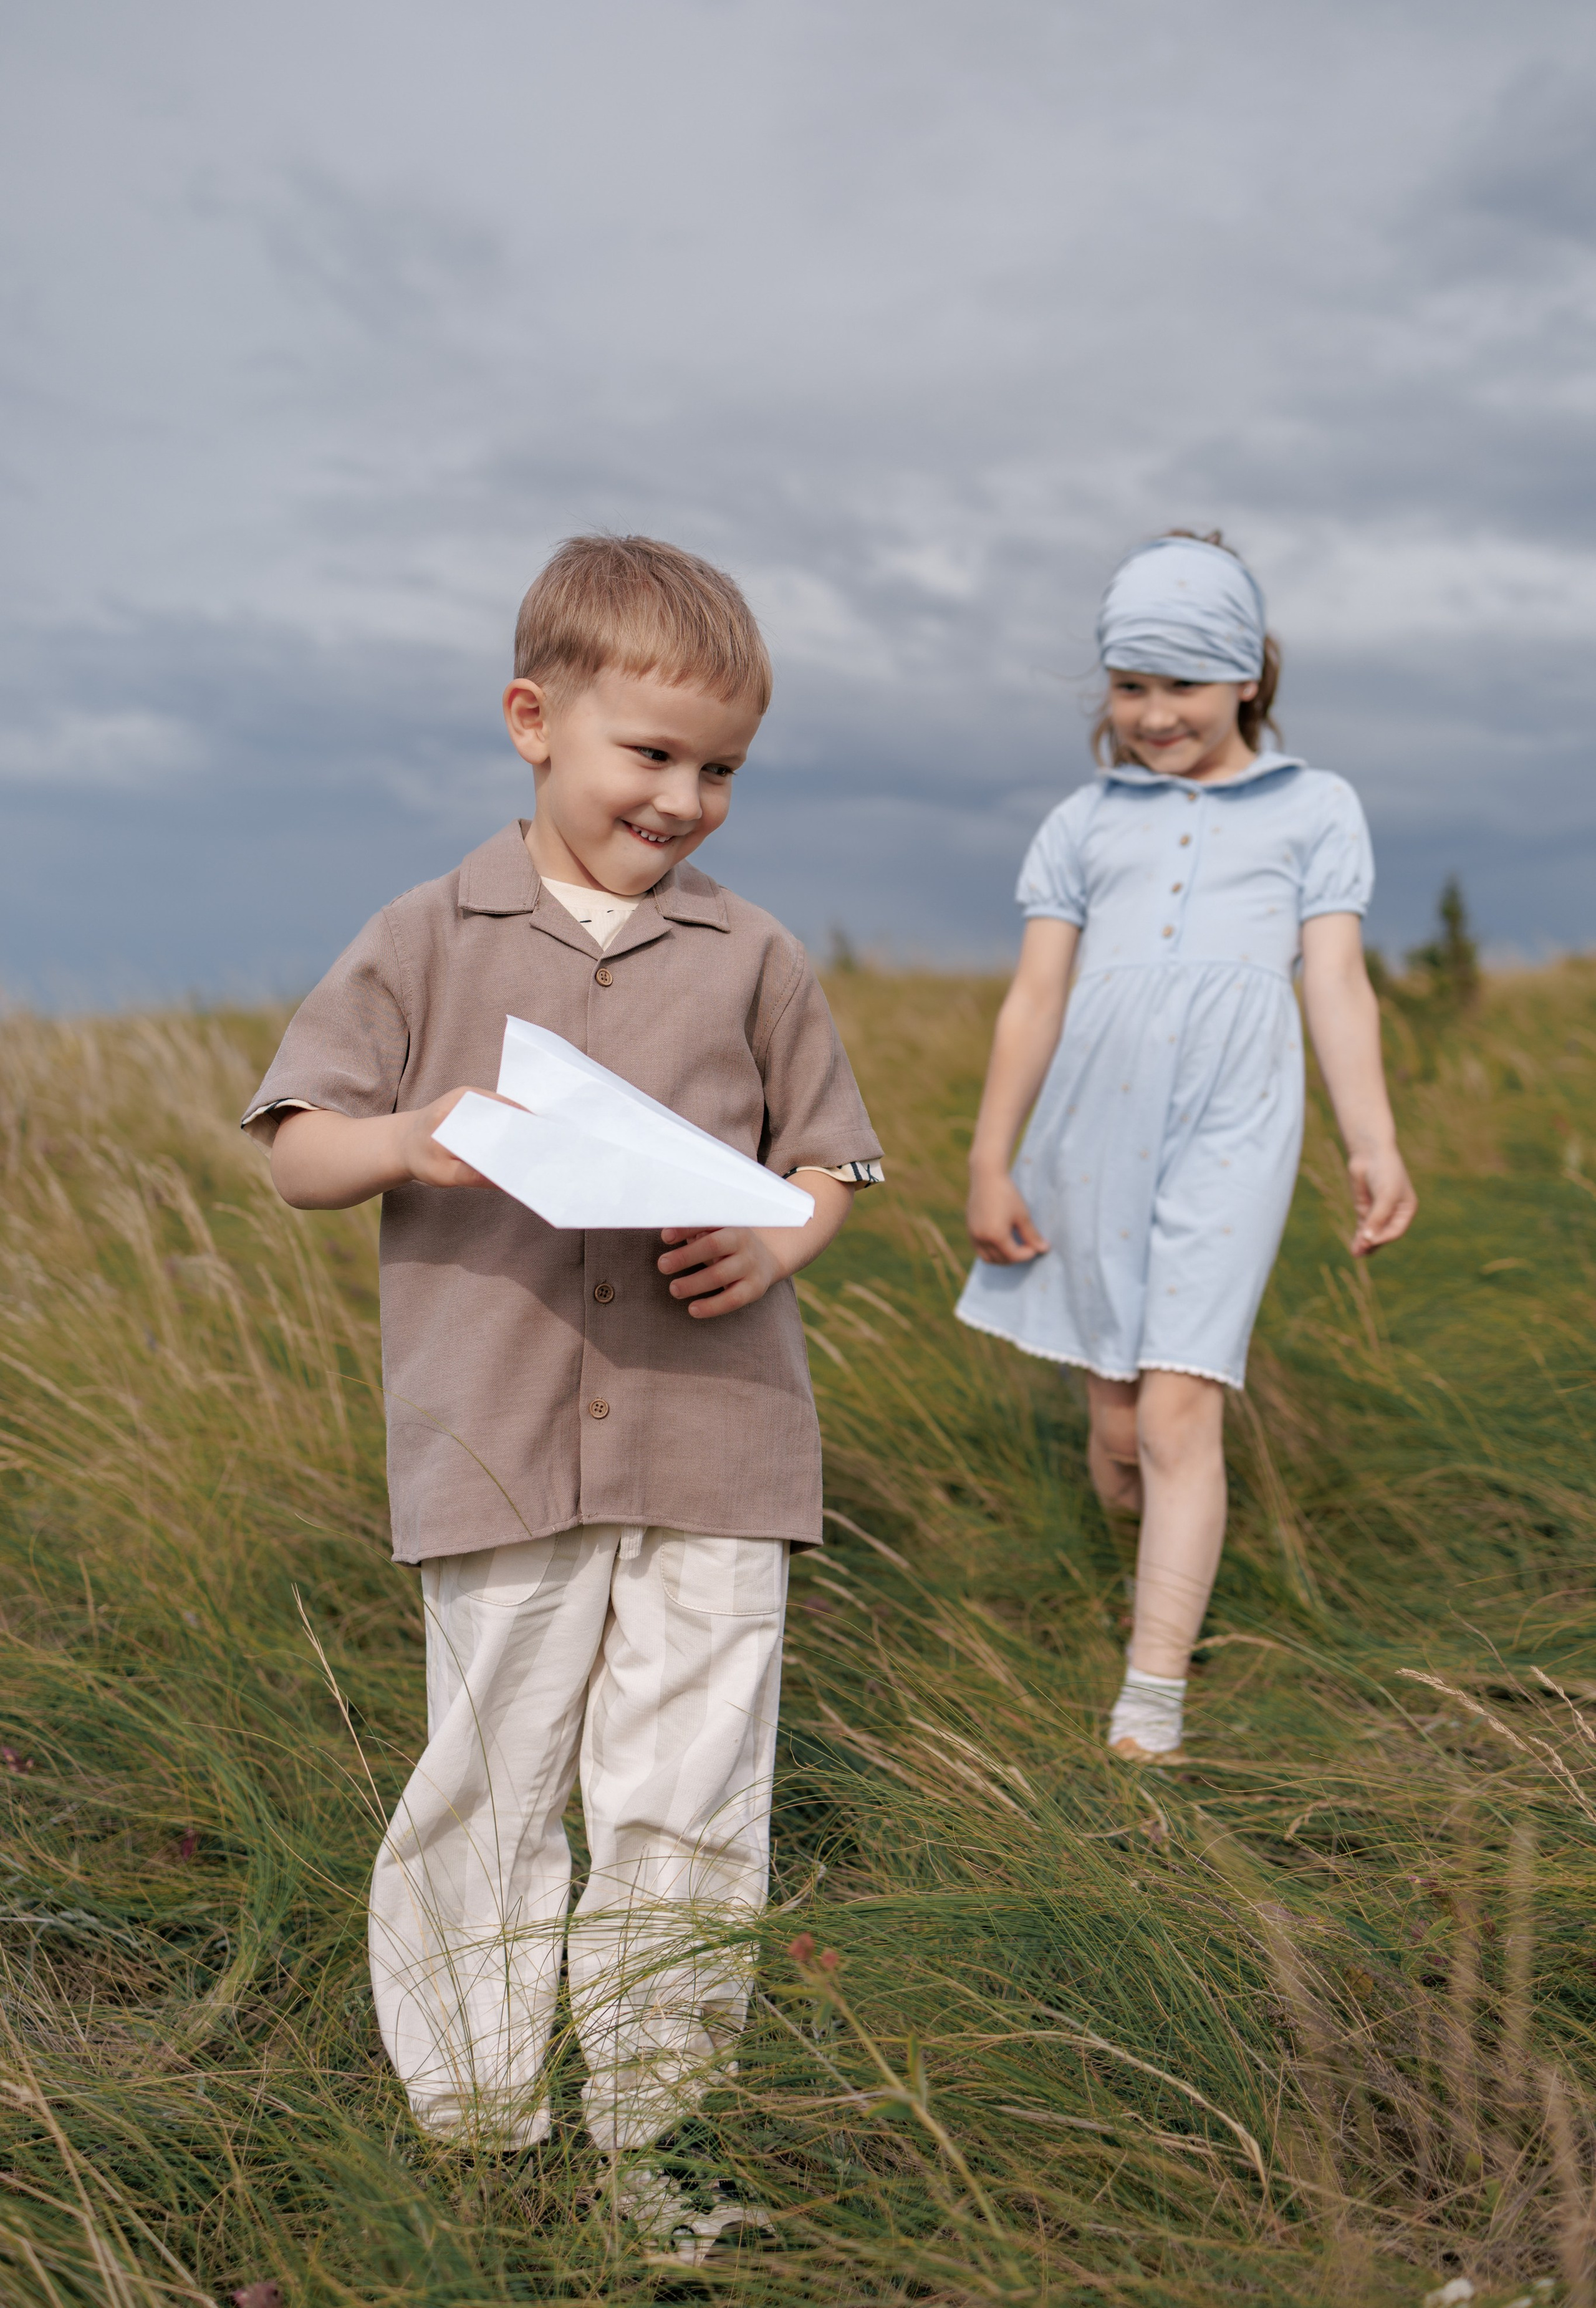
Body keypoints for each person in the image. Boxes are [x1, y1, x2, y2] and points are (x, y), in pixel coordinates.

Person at [241, 534, 882, 2258]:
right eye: (652, 755)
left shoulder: (753, 957)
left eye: (723, 770)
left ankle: (651, 2129)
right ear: (534, 719)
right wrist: (409, 1136)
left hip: (717, 1445)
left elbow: (829, 1165)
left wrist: (782, 1248)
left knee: (687, 1790)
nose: (686, 800)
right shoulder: (424, 935)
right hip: (500, 1444)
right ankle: (476, 2124)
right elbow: (298, 1150)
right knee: (495, 1779)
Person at [957, 532, 1415, 1764]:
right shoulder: (1080, 822)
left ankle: (1148, 1698)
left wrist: (1369, 1140)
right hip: (1086, 1134)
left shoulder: (1314, 808)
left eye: (1183, 686)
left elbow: (1334, 985)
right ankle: (1135, 1566)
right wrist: (987, 1158)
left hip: (1233, 1123)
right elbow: (1033, 1002)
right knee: (1114, 1433)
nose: (1154, 716)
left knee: (1174, 1416)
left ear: (1247, 679)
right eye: (1130, 687)